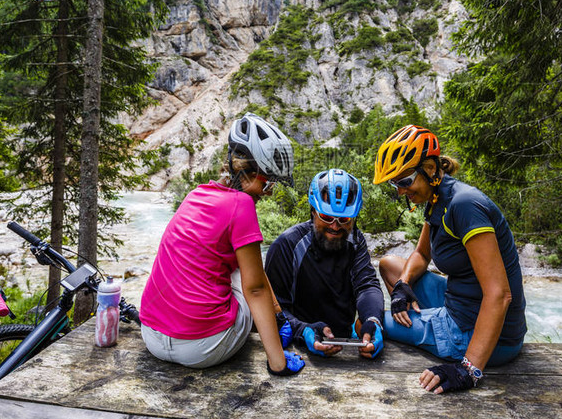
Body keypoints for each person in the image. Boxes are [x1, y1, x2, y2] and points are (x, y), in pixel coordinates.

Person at [138, 113, 304, 376]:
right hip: (201, 348)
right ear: (249, 172)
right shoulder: (243, 205)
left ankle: (277, 319)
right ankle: (275, 344)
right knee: (244, 273)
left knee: (240, 264)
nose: (270, 191)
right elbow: (256, 288)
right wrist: (278, 363)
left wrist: (279, 314)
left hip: (151, 335)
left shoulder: (196, 194)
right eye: (269, 182)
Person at [373, 125, 526, 393]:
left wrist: (469, 370)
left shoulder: (464, 205)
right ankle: (418, 319)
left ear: (430, 169)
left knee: (366, 321)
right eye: (394, 183)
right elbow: (421, 254)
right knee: (389, 266)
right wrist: (403, 286)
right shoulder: (437, 200)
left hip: (488, 333)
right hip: (460, 301)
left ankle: (434, 334)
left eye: (405, 181)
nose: (400, 191)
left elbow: (500, 294)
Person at [265, 169, 385, 360]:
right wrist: (303, 330)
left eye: (344, 220)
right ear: (313, 211)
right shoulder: (287, 245)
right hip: (300, 343)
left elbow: (367, 285)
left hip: (345, 343)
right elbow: (272, 306)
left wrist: (373, 320)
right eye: (327, 218)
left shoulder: (355, 240)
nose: (335, 227)